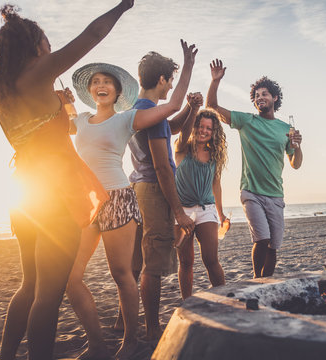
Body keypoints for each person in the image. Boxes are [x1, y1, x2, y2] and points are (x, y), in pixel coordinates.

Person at [0, 2, 134, 359]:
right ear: (33, 46)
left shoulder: (2, 90)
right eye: (45, 40)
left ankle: (6, 355)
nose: (49, 45)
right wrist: (123, 5)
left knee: (28, 285)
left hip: (25, 196)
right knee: (48, 296)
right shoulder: (38, 73)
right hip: (56, 197)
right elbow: (92, 35)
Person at [66, 41, 196, 359]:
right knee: (71, 277)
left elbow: (173, 108)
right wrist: (61, 104)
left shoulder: (128, 118)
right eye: (95, 81)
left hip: (120, 198)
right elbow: (52, 126)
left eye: (106, 82)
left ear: (117, 89)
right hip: (87, 202)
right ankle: (96, 343)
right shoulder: (80, 119)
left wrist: (188, 66)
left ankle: (131, 340)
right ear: (89, 90)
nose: (101, 85)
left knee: (122, 272)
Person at [206, 59, 303, 278]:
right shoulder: (246, 121)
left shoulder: (285, 129)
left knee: (273, 246)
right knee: (262, 239)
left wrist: (298, 146)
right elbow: (211, 106)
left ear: (274, 98)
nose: (260, 97)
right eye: (257, 95)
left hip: (276, 195)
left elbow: (295, 164)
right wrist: (215, 81)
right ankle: (255, 280)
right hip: (251, 192)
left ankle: (265, 283)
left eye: (265, 94)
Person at [125, 51, 196, 341]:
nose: (170, 87)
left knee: (137, 260)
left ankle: (122, 320)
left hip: (138, 187)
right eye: (170, 81)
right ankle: (153, 329)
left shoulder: (139, 109)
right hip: (154, 189)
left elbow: (173, 127)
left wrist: (191, 109)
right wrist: (178, 211)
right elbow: (163, 166)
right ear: (162, 79)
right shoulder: (151, 112)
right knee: (153, 262)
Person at [174, 107, 227, 299]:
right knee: (186, 262)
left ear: (214, 132)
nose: (204, 131)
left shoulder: (214, 155)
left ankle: (224, 299)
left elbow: (216, 184)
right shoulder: (181, 148)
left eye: (209, 128)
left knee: (211, 259)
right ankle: (187, 301)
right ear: (194, 127)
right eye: (200, 126)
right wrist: (192, 109)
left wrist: (221, 214)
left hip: (206, 209)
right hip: (182, 211)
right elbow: (183, 134)